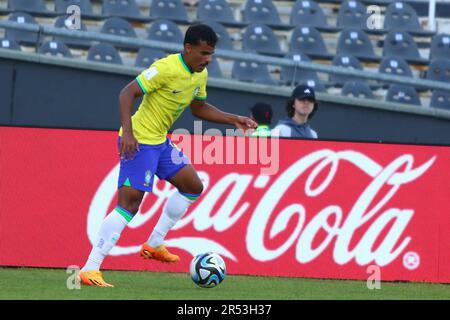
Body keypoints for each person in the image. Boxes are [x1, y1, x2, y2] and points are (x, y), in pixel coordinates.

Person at [78, 24, 257, 287]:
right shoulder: (165, 68)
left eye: (211, 54)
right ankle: (90, 268)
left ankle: (154, 243)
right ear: (188, 48)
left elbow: (198, 108)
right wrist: (127, 133)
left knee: (193, 186)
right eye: (204, 53)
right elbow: (126, 93)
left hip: (160, 142)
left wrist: (234, 119)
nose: (207, 59)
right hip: (138, 141)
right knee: (129, 205)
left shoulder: (199, 75)